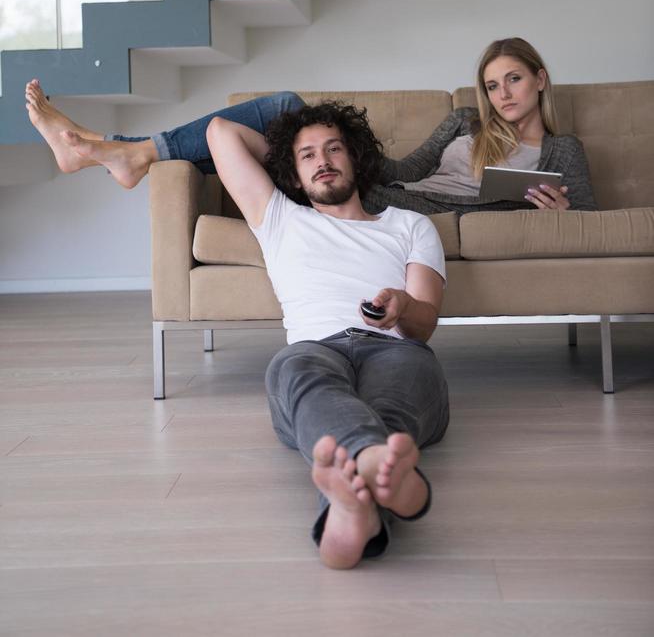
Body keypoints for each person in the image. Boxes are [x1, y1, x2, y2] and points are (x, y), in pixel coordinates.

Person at [204, 98, 449, 568]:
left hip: (395, 349)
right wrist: (285, 152)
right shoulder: (279, 217)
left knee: (399, 387)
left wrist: (402, 308)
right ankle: (391, 483)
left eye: (335, 149)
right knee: (296, 369)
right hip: (315, 350)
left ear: (356, 158)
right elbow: (220, 132)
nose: (323, 162)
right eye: (309, 155)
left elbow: (426, 326)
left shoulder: (410, 225)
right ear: (292, 174)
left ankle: (352, 508)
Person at [24, 36, 596, 211]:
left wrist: (561, 214)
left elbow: (591, 216)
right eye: (494, 84)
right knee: (284, 109)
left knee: (270, 121)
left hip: (408, 211)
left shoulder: (562, 150)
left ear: (541, 79)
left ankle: (118, 150)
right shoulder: (464, 121)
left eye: (514, 80)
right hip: (380, 187)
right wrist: (346, 150)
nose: (503, 94)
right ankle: (124, 151)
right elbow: (410, 169)